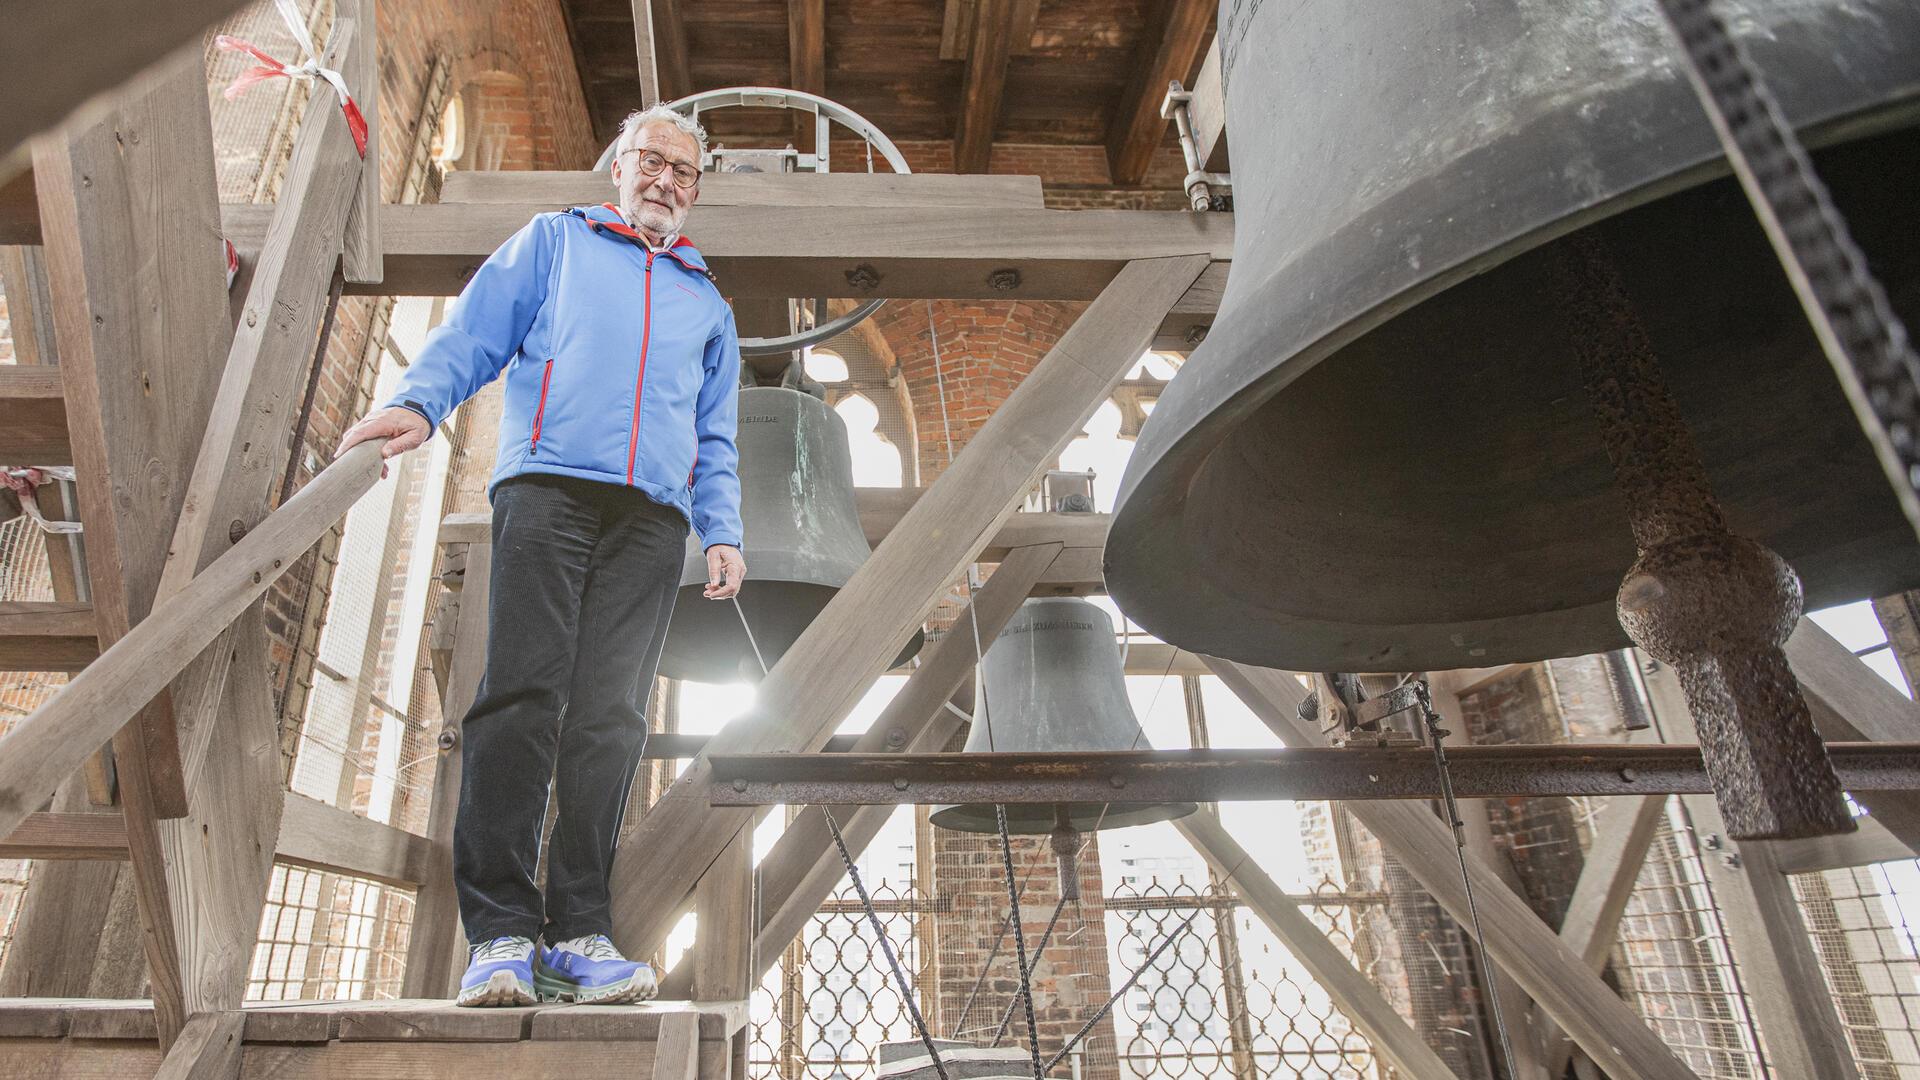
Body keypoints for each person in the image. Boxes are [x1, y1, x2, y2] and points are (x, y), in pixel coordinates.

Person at [337, 103, 745, 1007]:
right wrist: (419, 402)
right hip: (548, 490)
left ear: (695, 191)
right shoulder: (554, 245)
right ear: (618, 167)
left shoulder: (706, 301)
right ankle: (501, 936)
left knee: (611, 717)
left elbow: (714, 435)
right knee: (521, 699)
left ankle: (580, 933)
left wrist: (722, 528)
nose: (664, 181)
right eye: (651, 162)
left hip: (652, 519)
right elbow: (477, 333)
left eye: (683, 172)